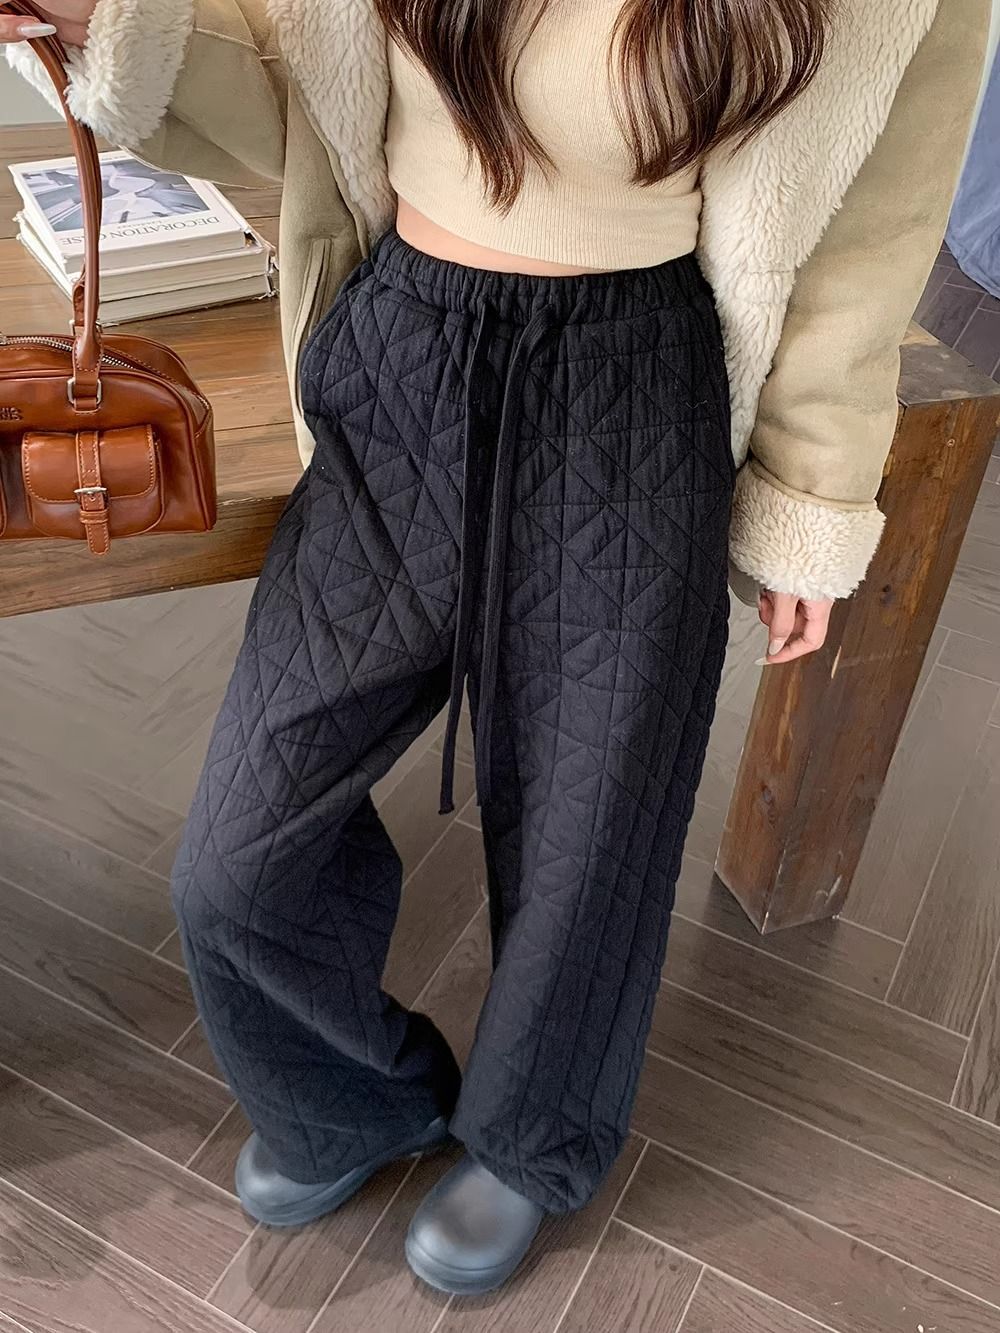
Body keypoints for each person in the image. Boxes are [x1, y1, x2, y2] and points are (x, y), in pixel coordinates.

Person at [5, 0, 989, 1297]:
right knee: (236, 860)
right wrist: (111, 22)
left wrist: (812, 493)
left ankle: (533, 1137)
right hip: (401, 356)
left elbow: (869, 228)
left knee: (594, 831)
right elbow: (293, 81)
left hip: (633, 393)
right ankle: (352, 1097)